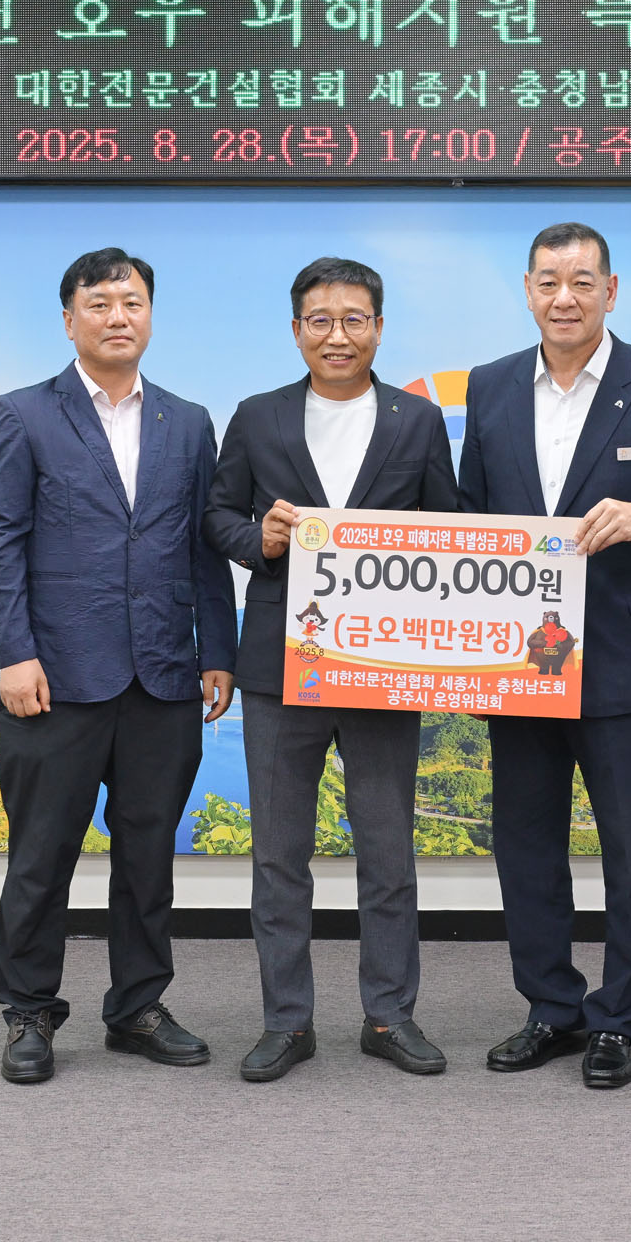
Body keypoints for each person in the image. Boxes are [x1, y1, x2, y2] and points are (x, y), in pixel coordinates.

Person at [458, 222, 631, 1089]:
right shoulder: (490, 386)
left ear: (611, 291)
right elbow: (468, 519)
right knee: (525, 846)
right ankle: (551, 1007)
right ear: (527, 291)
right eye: (547, 282)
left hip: (622, 657)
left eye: (581, 281)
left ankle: (619, 1018)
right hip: (519, 661)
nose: (563, 297)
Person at [0, 246, 237, 1085]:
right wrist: (14, 653)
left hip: (163, 675)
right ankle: (28, 1012)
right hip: (54, 677)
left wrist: (217, 653)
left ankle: (138, 1006)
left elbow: (204, 547)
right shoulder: (24, 413)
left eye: (132, 303)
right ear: (69, 320)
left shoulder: (188, 421)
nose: (118, 317)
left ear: (150, 315)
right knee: (41, 856)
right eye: (99, 304)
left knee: (149, 856)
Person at [204, 256, 461, 1083]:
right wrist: (260, 539)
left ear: (378, 329)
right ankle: (287, 1022)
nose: (337, 335)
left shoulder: (418, 422)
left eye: (354, 319)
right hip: (281, 668)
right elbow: (216, 516)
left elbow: (450, 532)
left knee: (388, 852)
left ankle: (390, 1016)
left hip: (385, 666)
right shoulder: (258, 416)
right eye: (321, 320)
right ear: (296, 331)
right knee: (279, 856)